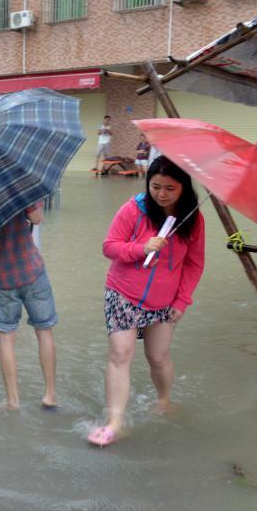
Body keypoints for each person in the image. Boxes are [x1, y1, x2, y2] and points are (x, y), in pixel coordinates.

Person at [88, 156, 205, 447]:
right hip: (123, 294)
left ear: (183, 188)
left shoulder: (193, 219)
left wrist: (182, 300)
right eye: (155, 186)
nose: (161, 194)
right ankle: (115, 421)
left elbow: (194, 264)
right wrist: (141, 248)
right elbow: (110, 247)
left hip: (165, 301)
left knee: (158, 357)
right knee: (120, 354)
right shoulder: (134, 209)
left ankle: (164, 400)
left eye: (170, 188)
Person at [0, 201, 58, 410]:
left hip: (2, 277)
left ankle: (13, 401)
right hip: (32, 270)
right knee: (44, 331)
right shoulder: (16, 186)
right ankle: (50, 395)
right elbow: (37, 218)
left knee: (6, 338)